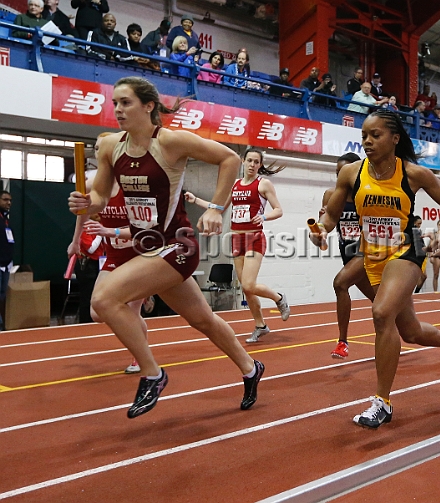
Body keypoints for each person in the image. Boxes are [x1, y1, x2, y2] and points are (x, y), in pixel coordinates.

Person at [67, 76, 265, 418]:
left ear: (149, 106)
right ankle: (251, 368)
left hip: (178, 244)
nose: (117, 110)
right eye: (114, 103)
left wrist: (216, 209)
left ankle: (152, 374)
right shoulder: (111, 147)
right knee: (203, 320)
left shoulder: (171, 142)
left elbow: (230, 159)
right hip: (148, 247)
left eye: (125, 102)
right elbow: (99, 196)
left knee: (103, 299)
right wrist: (85, 202)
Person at [310, 110, 440, 429]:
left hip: (408, 248)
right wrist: (320, 230)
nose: (368, 142)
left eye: (376, 135)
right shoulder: (350, 173)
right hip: (372, 254)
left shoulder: (414, 173)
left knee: (381, 312)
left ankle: (382, 402)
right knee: (410, 331)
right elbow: (329, 219)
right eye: (364, 136)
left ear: (395, 138)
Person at [185, 148, 290, 343]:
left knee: (249, 284)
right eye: (249, 160)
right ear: (243, 161)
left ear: (260, 165)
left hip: (254, 238)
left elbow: (279, 210)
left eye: (256, 162)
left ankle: (278, 298)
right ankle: (260, 325)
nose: (252, 165)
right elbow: (218, 207)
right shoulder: (234, 185)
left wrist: (264, 216)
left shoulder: (263, 184)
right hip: (236, 239)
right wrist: (195, 200)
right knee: (246, 288)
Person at [68, 132, 143, 372]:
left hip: (139, 255)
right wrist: (76, 240)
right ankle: (139, 339)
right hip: (113, 255)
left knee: (132, 308)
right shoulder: (92, 185)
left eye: (106, 148)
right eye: (97, 148)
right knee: (97, 310)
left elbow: (144, 229)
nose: (101, 152)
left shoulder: (131, 185)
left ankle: (140, 357)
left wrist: (110, 232)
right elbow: (84, 213)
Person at [319, 152, 375, 359]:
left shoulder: (367, 195)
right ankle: (398, 328)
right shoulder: (331, 195)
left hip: (368, 251)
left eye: (344, 173)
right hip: (348, 254)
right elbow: (326, 229)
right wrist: (320, 231)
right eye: (337, 173)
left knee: (340, 283)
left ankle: (342, 342)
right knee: (380, 301)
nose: (340, 178)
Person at [0, 191, 14, 330]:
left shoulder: (6, 219)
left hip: (6, 265)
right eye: (5, 199)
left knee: (2, 295)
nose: (8, 203)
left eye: (10, 200)